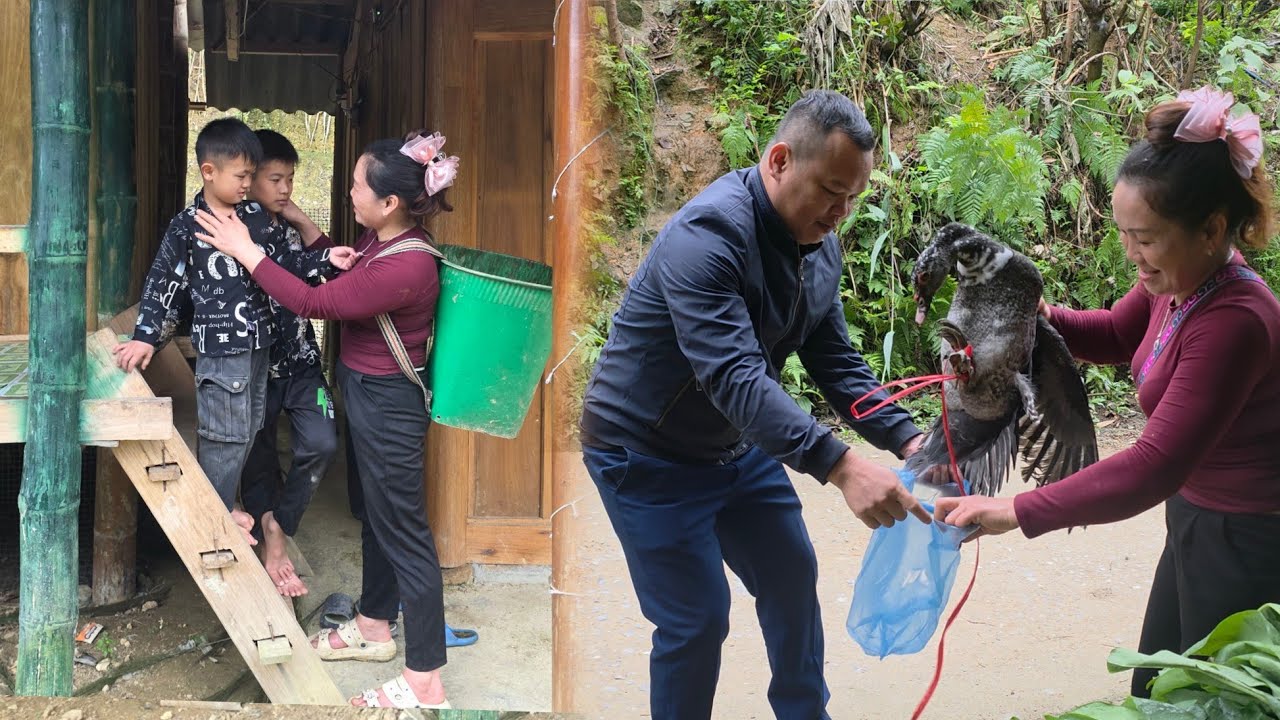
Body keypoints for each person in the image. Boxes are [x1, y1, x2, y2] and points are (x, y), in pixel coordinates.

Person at [578, 89, 927, 720]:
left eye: (853, 196)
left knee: (791, 575)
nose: (841, 211)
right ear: (778, 160)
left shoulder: (819, 242)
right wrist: (842, 466)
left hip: (735, 443)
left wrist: (909, 439)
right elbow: (735, 376)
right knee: (696, 620)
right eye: (830, 190)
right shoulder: (707, 236)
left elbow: (836, 361)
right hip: (644, 452)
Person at [934, 87, 1280, 698]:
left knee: (1207, 701)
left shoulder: (1235, 322)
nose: (1131, 254)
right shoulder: (1178, 280)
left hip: (1247, 539)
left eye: (1144, 237)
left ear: (1213, 228)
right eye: (1123, 233)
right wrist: (1033, 313)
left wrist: (1017, 511)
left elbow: (1154, 466)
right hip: (1198, 520)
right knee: (1159, 685)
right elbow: (1119, 333)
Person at [193, 129, 460, 710]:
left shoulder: (406, 265)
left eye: (359, 184)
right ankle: (372, 624)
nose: (352, 190)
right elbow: (342, 266)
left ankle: (425, 683)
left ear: (389, 203)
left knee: (405, 533)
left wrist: (247, 251)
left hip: (389, 405)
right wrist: (306, 230)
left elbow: (315, 302)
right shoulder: (380, 242)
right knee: (375, 516)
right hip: (366, 393)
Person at [113, 118, 353, 544]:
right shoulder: (187, 226)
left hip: (261, 352)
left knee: (247, 433)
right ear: (210, 172)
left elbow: (286, 268)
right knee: (223, 436)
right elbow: (161, 284)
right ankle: (218, 514)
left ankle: (225, 507)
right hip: (222, 355)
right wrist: (146, 335)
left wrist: (325, 261)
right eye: (242, 175)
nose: (248, 184)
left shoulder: (257, 219)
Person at [238, 129, 340, 598]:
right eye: (275, 179)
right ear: (248, 178)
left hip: (300, 364)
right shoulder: (238, 227)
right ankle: (269, 532)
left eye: (291, 180)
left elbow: (329, 264)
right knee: (257, 460)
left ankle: (279, 523)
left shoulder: (286, 226)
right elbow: (309, 269)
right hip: (255, 367)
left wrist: (297, 216)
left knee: (320, 443)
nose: (284, 189)